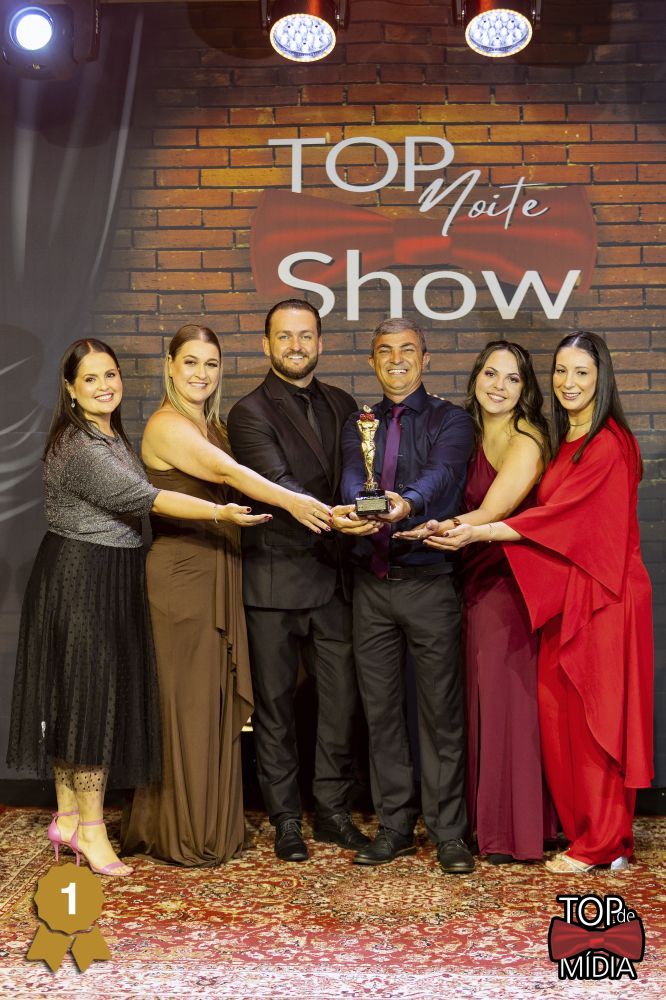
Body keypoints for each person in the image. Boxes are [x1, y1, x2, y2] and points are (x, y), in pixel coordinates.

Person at [6, 339, 267, 877]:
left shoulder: (109, 435)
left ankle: (69, 818)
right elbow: (148, 499)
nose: (104, 386)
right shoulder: (78, 446)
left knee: (81, 699)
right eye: (91, 379)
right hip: (82, 576)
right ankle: (91, 830)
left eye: (111, 375)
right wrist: (221, 514)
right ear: (70, 389)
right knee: (89, 705)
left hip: (108, 572)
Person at [431, 332, 654, 873]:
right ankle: (584, 832)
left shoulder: (610, 443)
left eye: (581, 372)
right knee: (563, 720)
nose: (568, 383)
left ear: (601, 378)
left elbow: (561, 518)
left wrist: (481, 532)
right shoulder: (569, 439)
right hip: (565, 594)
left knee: (598, 720)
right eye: (561, 371)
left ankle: (604, 842)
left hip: (604, 595)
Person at [121, 323, 334, 867]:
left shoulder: (212, 424)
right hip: (183, 578)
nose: (201, 374)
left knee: (215, 706)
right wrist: (294, 502)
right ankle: (183, 830)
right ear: (170, 367)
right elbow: (227, 471)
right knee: (188, 705)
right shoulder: (167, 425)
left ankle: (213, 823)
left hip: (221, 571)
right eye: (190, 362)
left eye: (211, 364)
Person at [397, 340, 555, 864]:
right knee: (475, 700)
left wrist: (438, 527)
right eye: (491, 374)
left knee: (504, 701)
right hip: (466, 577)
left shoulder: (527, 439)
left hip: (507, 582)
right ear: (476, 378)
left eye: (512, 378)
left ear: (525, 389)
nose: (498, 386)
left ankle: (511, 830)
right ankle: (482, 822)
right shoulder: (464, 430)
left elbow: (492, 511)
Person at [226, 299, 370, 862]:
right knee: (276, 709)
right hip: (274, 581)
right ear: (267, 345)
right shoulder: (248, 412)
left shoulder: (344, 404)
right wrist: (341, 517)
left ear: (320, 343)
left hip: (334, 579)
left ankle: (332, 812)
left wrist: (366, 510)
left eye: (305, 335)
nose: (295, 345)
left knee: (339, 706)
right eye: (284, 336)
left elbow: (357, 475)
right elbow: (278, 482)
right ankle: (286, 818)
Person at [336, 317, 476, 874]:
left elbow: (443, 474)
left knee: (441, 715)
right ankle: (394, 827)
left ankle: (449, 834)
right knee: (382, 714)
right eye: (385, 351)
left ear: (425, 358)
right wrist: (361, 505)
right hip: (372, 586)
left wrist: (406, 503)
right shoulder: (359, 422)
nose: (396, 359)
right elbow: (353, 473)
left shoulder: (452, 420)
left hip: (430, 584)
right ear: (372, 360)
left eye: (408, 350)